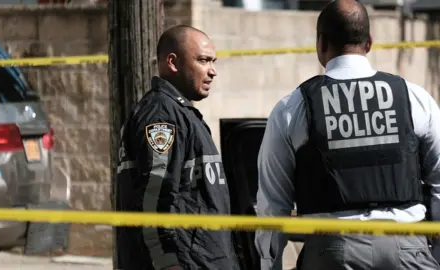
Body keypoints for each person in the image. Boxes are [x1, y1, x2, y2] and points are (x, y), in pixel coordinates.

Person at [254, 0, 440, 269]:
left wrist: (269, 264)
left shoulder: (293, 107)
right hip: (408, 247)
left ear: (321, 43)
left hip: (333, 251)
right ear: (369, 43)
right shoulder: (414, 98)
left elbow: (272, 205)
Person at [114, 25, 240, 270]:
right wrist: (167, 262)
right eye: (203, 60)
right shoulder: (162, 116)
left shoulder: (182, 113)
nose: (212, 71)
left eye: (213, 61)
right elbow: (155, 199)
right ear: (173, 62)